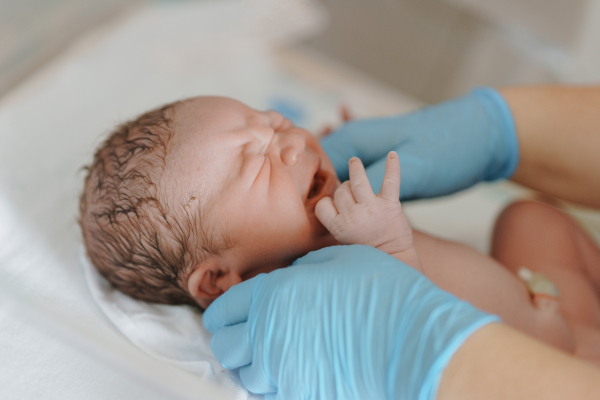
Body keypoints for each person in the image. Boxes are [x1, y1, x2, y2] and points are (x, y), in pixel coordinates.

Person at [203, 85, 600, 399]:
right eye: (252, 161)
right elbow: (397, 319)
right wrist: (391, 251)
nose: (292, 143)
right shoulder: (312, 318)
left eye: (275, 125)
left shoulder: (340, 225)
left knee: (529, 218)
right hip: (535, 370)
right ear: (218, 278)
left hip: (553, 308)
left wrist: (491, 130)